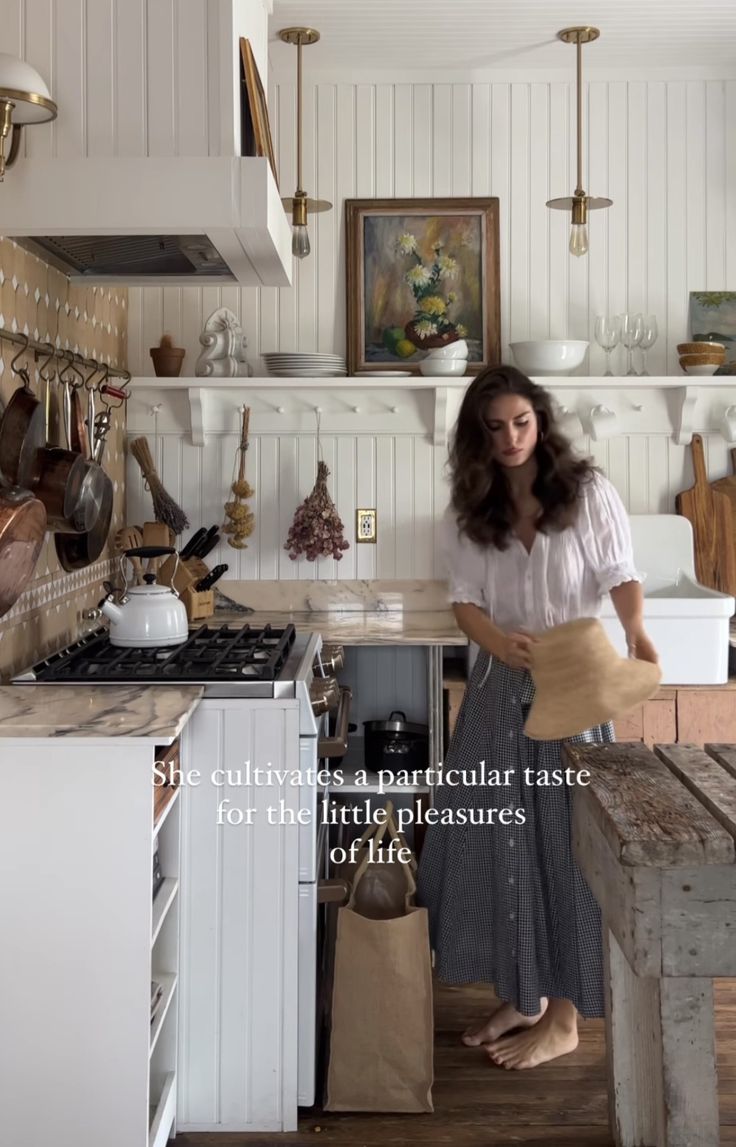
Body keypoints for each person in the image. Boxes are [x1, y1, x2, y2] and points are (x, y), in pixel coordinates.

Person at [416, 364, 658, 1071]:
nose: (511, 437)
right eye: (494, 428)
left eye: (521, 422)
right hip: (498, 691)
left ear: (541, 421)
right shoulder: (471, 507)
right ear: (478, 436)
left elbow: (620, 573)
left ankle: (564, 1017)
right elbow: (465, 601)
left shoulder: (587, 492)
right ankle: (523, 994)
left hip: (575, 687)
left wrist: (638, 635)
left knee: (568, 849)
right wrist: (497, 642)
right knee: (500, 845)